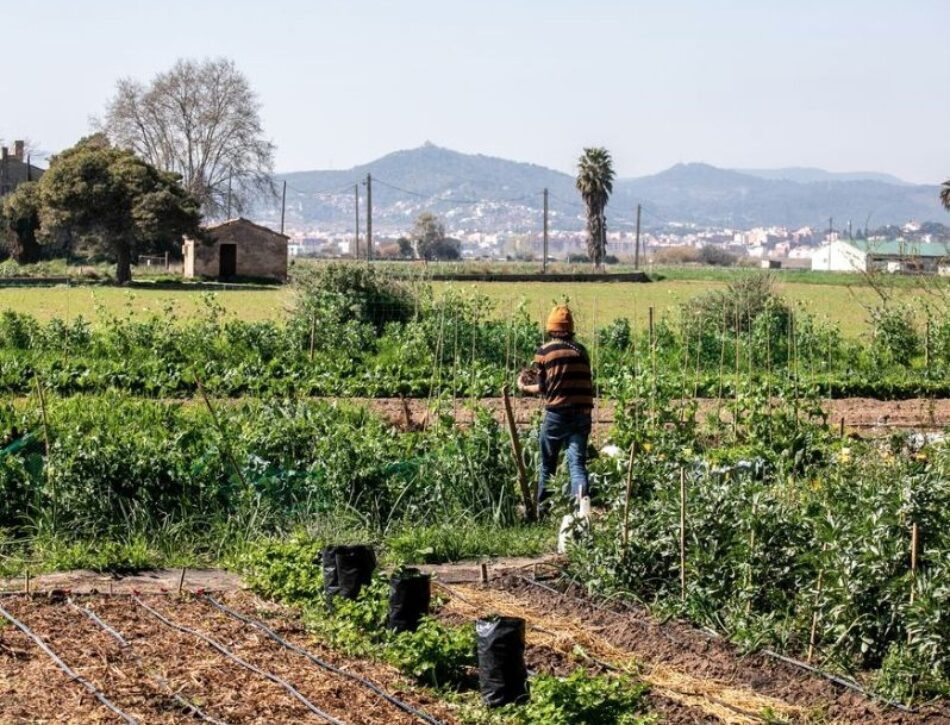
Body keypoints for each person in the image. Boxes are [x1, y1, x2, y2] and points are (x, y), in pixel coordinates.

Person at [518, 304, 593, 510]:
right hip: (583, 413)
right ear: (571, 329)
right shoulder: (582, 351)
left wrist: (524, 386)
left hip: (557, 414)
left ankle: (542, 510)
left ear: (551, 328)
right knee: (577, 466)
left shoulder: (545, 352)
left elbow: (543, 387)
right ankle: (581, 512)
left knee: (547, 466)